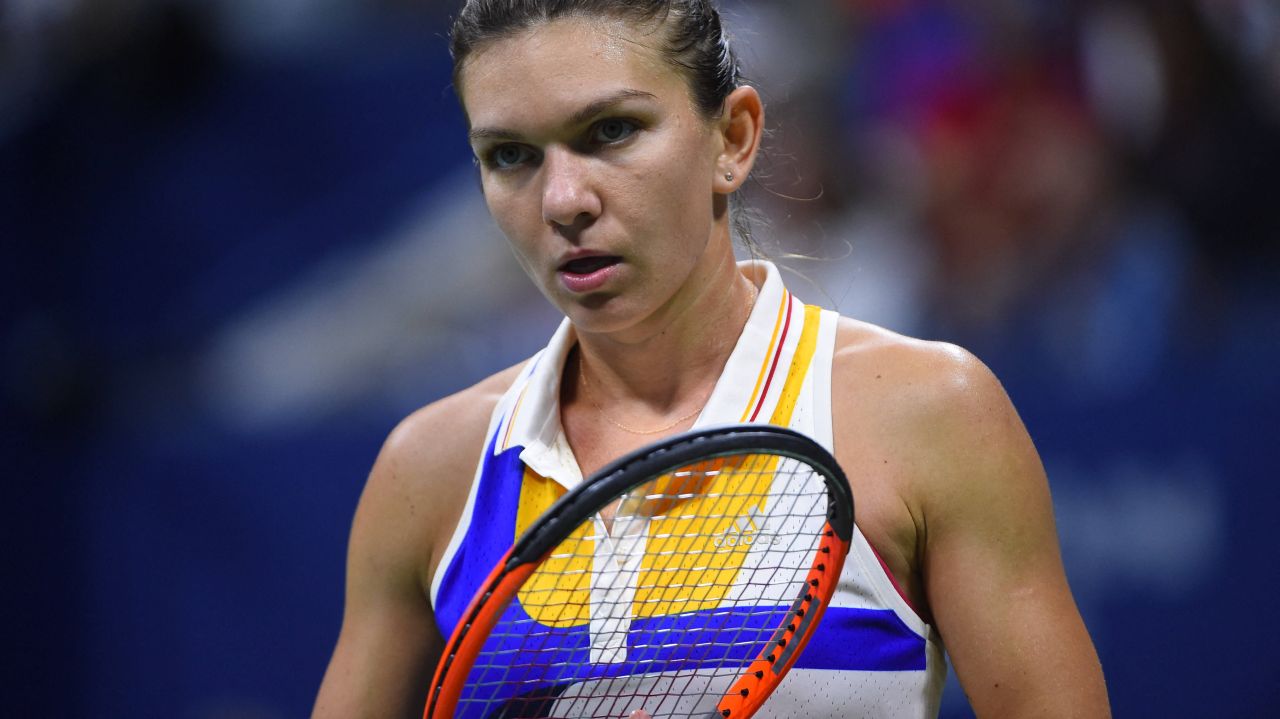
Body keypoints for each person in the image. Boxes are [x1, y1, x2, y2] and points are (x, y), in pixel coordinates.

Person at [312, 1, 1111, 717]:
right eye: (511, 155)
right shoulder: (428, 469)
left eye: (611, 131)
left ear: (733, 139)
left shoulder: (931, 412)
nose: (563, 200)